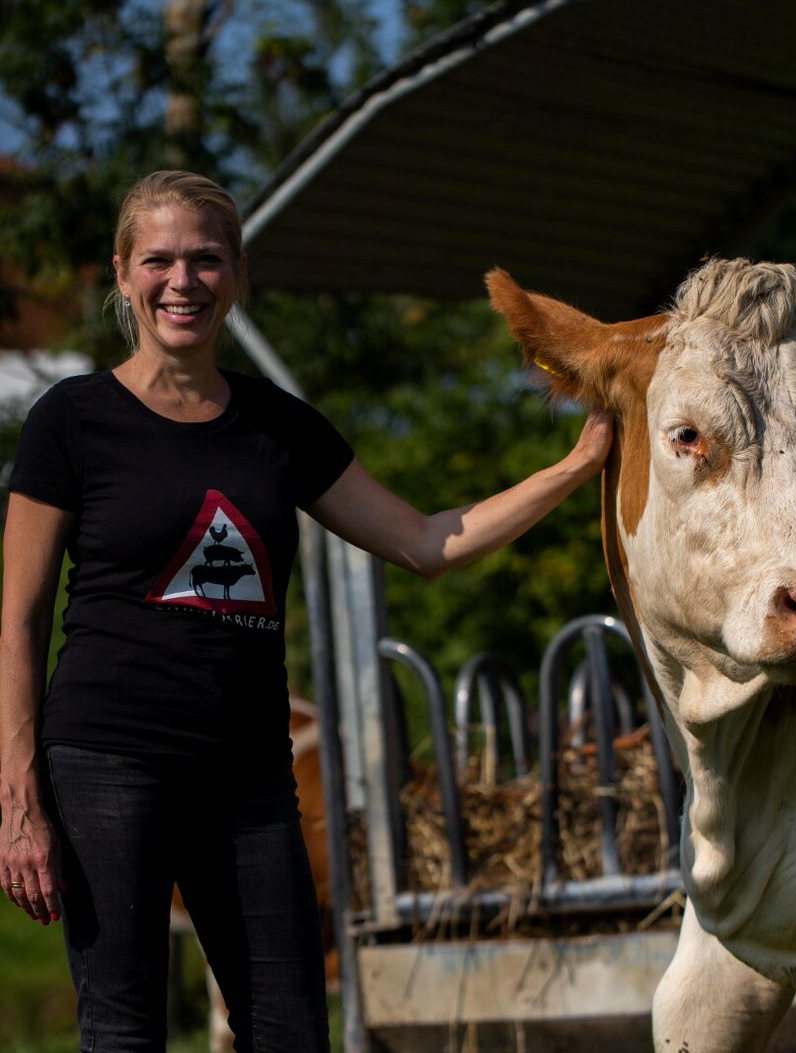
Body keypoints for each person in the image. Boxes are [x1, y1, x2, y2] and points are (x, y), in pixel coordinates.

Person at [0, 169, 611, 1052]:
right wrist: (18, 797)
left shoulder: (279, 427)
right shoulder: (71, 419)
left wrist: (578, 461)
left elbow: (427, 541)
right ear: (124, 273)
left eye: (207, 260)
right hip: (106, 761)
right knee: (125, 1032)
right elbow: (15, 619)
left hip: (248, 775)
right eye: (161, 260)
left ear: (237, 273)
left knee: (290, 1030)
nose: (184, 281)